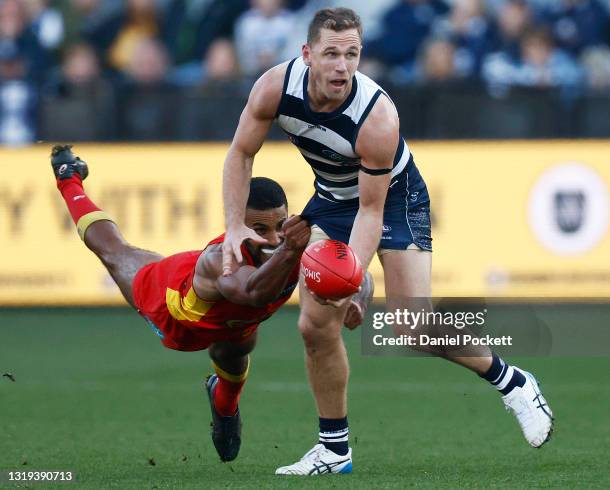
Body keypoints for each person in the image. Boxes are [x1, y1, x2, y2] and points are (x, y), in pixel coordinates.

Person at [221, 7, 554, 476]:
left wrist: (354, 277)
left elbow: (372, 210)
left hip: (396, 199)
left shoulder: (376, 117)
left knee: (410, 326)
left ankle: (513, 380)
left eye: (352, 54)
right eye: (331, 53)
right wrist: (235, 223)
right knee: (314, 327)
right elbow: (241, 153)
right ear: (306, 53)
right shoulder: (274, 88)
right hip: (332, 200)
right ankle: (334, 450)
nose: (342, 65)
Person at [49, 144, 311, 463]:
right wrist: (291, 252)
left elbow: (344, 264)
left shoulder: (294, 244)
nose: (272, 239)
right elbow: (253, 293)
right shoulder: (222, 260)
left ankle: (225, 410)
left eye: (280, 226)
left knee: (235, 351)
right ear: (235, 224)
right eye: (259, 229)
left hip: (233, 322)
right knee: (113, 250)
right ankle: (69, 179)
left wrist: (358, 287)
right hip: (169, 302)